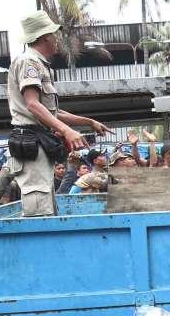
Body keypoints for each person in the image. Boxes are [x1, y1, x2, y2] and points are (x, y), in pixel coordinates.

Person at [7, 11, 111, 217]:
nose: (56, 40)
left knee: (46, 202)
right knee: (39, 207)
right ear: (45, 36)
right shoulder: (29, 62)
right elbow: (33, 105)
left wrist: (88, 122)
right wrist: (66, 131)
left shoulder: (41, 65)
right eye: (54, 35)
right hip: (30, 141)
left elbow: (52, 112)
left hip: (40, 142)